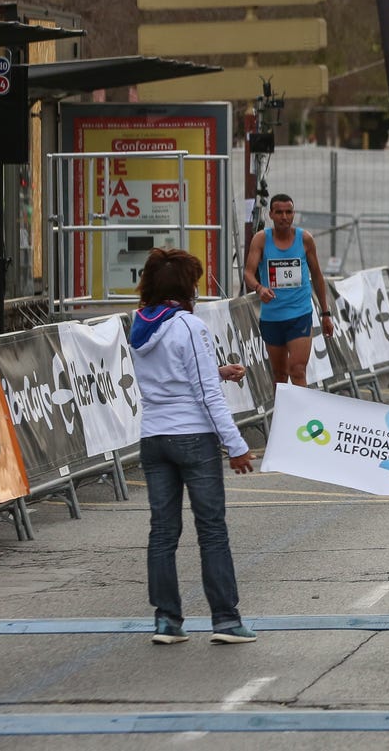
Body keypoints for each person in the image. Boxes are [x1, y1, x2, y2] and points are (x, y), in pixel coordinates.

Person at [131, 248, 257, 646]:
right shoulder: (188, 325)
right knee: (212, 531)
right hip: (193, 438)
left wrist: (215, 370)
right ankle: (225, 620)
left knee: (163, 533)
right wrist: (235, 444)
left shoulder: (140, 325)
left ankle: (167, 620)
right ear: (186, 286)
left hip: (153, 436)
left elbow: (170, 380)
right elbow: (205, 396)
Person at [244, 193, 334, 386]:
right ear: (271, 215)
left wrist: (325, 313)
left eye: (288, 212)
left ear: (294, 214)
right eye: (279, 212)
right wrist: (259, 288)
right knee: (280, 376)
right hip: (272, 317)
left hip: (299, 314)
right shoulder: (261, 240)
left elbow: (317, 275)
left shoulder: (305, 239)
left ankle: (301, 417)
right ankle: (283, 416)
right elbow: (248, 274)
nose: (284, 217)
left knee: (298, 369)